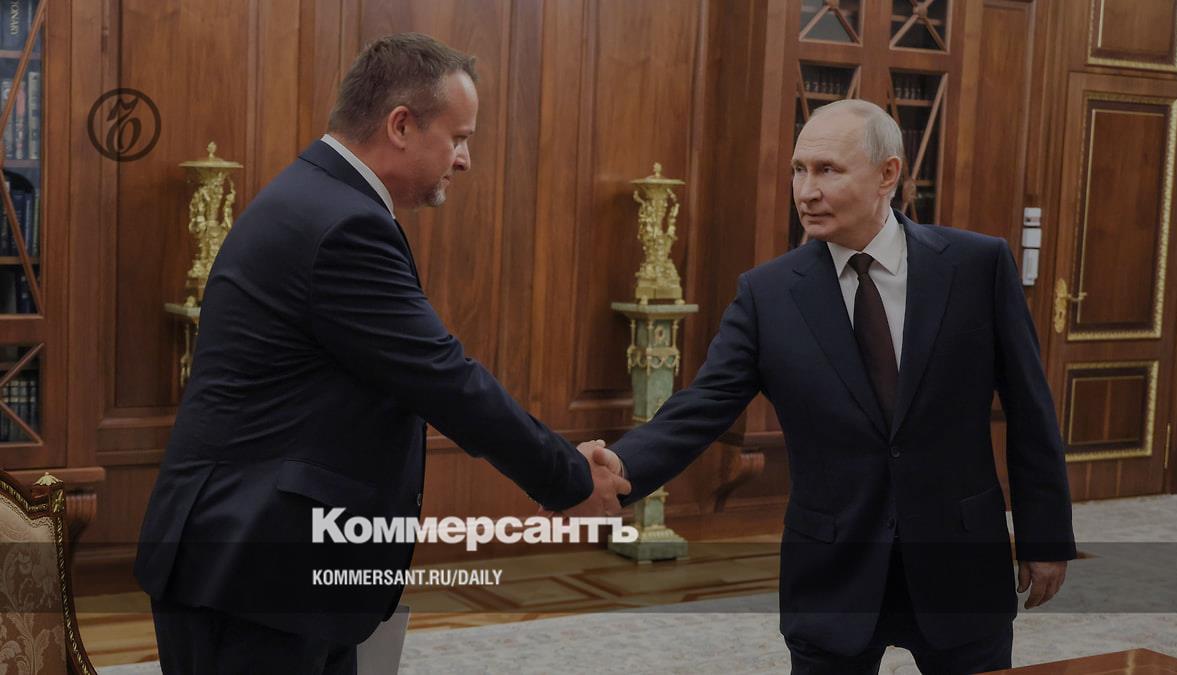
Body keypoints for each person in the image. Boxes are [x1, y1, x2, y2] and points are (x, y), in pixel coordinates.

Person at [135, 33, 629, 674]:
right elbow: (444, 379)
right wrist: (569, 478)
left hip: (276, 570)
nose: (465, 160)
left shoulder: (321, 197)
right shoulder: (344, 224)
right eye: (458, 138)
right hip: (256, 576)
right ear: (400, 125)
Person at [591, 99, 1076, 674]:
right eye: (798, 170)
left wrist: (1046, 537)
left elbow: (1030, 408)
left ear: (887, 175)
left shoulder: (977, 266)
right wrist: (620, 466)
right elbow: (703, 406)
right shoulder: (767, 294)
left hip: (960, 567)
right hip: (832, 575)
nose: (806, 191)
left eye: (828, 170)